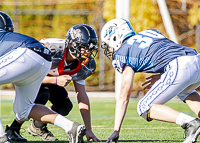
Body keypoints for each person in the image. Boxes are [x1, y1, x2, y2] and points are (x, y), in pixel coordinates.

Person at [100, 18, 200, 143]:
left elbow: (124, 93)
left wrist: (116, 130)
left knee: (143, 106)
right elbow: (168, 51)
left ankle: (190, 123)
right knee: (185, 91)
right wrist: (164, 75)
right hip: (196, 58)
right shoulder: (150, 32)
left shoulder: (123, 52)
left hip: (180, 66)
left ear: (115, 37)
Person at [0, 11, 86, 143]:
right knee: (23, 110)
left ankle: (2, 138)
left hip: (26, 54)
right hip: (43, 58)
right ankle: (70, 126)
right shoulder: (10, 38)